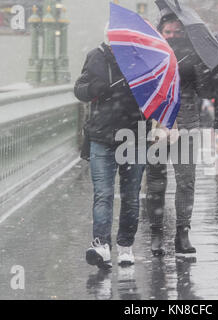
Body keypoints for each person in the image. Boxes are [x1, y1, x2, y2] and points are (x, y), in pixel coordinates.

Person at [74, 27, 150, 269]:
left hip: (133, 137)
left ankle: (126, 246)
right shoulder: (95, 57)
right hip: (101, 136)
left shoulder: (141, 61)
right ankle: (101, 245)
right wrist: (92, 89)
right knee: (103, 195)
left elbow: (152, 97)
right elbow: (79, 89)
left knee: (130, 197)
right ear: (108, 39)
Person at [146, 9, 212, 257]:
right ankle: (156, 233)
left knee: (186, 181)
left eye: (177, 32)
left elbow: (205, 91)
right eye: (168, 32)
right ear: (160, 32)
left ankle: (182, 232)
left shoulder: (193, 55)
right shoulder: (149, 54)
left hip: (186, 124)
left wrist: (201, 71)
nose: (172, 36)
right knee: (155, 182)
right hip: (156, 125)